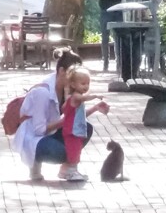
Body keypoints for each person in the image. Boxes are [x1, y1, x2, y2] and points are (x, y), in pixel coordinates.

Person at [12, 48, 109, 182]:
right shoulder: (43, 92)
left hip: (51, 133)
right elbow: (39, 130)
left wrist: (95, 108)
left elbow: (77, 117)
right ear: (62, 71)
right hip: (34, 137)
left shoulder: (67, 90)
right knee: (61, 151)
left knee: (85, 128)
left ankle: (67, 169)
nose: (75, 80)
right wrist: (67, 121)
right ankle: (35, 163)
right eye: (72, 75)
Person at [61, 65, 105, 181]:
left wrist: (95, 108)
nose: (86, 86)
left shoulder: (72, 98)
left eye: (88, 83)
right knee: (74, 151)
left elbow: (68, 109)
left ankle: (69, 171)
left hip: (75, 130)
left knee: (75, 150)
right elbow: (83, 98)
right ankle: (71, 172)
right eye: (83, 83)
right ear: (73, 85)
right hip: (73, 131)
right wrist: (95, 96)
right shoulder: (76, 97)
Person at [90, 0, 128, 72]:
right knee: (105, 37)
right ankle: (105, 62)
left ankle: (119, 63)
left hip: (118, 10)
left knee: (119, 37)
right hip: (105, 10)